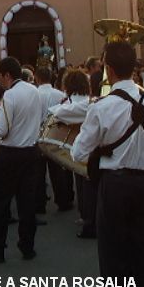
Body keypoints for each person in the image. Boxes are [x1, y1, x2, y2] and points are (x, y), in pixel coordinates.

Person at [71, 41, 144, 287]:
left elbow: (78, 153)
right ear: (134, 67)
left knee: (114, 254)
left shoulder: (101, 107)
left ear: (107, 68)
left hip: (115, 186)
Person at [0, 56, 43, 263]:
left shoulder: (10, 96)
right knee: (27, 202)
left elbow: (2, 130)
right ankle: (27, 246)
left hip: (10, 155)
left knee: (0, 203)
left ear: (7, 75)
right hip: (32, 153)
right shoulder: (35, 91)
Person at [48, 69, 94, 237]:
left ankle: (87, 218)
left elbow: (58, 113)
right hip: (91, 146)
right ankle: (86, 215)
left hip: (76, 146)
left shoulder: (70, 104)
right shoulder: (89, 101)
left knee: (83, 183)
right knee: (86, 183)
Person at [36, 67, 74, 213]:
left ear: (37, 78)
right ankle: (63, 201)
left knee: (38, 172)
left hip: (38, 135)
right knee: (57, 170)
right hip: (55, 134)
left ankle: (39, 205)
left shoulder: (35, 95)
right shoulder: (60, 94)